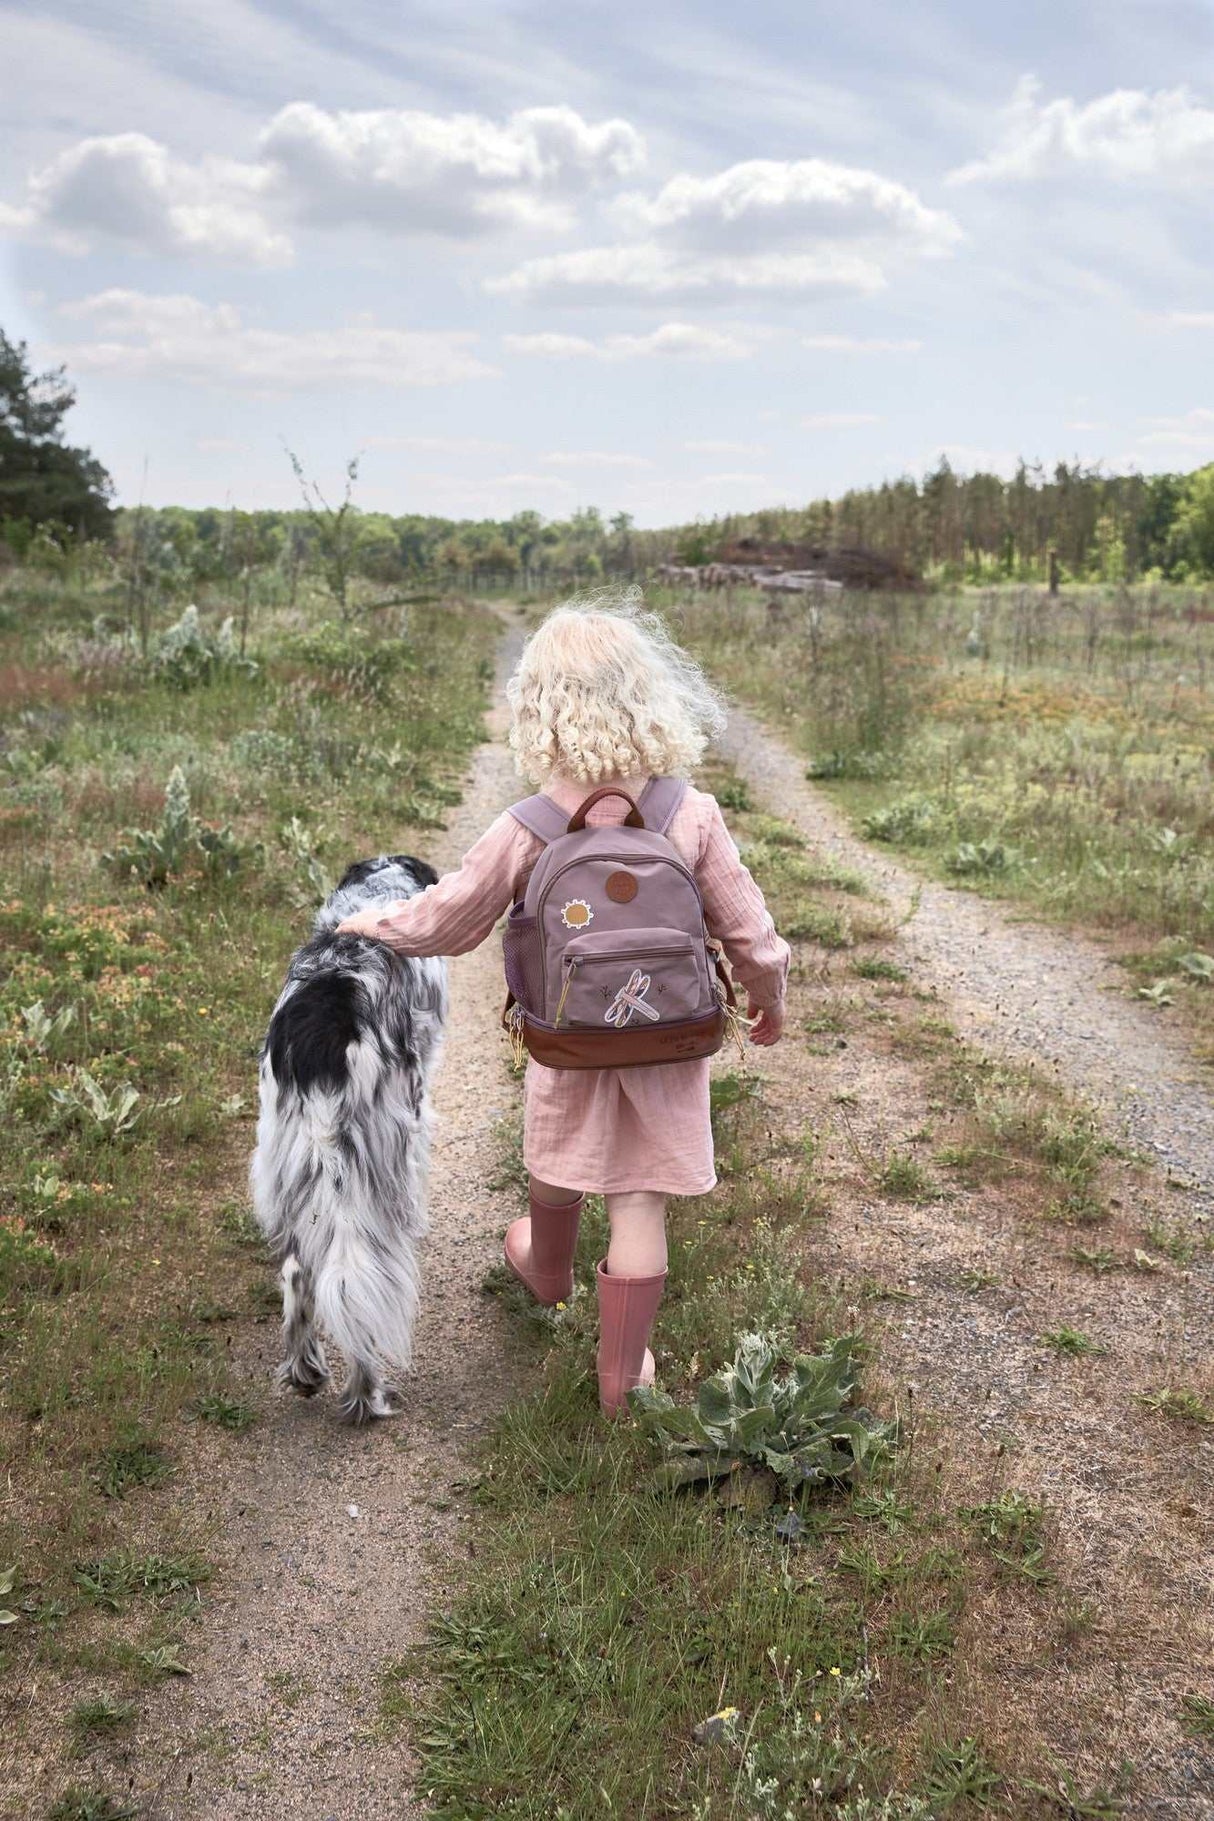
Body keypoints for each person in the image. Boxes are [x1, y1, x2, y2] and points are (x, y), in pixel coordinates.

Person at [337, 595, 789, 1415]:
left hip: (571, 1042)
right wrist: (768, 999)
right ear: (648, 699)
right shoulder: (691, 813)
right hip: (669, 1042)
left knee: (559, 1158)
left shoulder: (531, 824)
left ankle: (546, 1271)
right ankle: (622, 1383)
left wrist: (378, 925)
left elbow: (452, 919)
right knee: (639, 1195)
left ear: (541, 710)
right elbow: (750, 931)